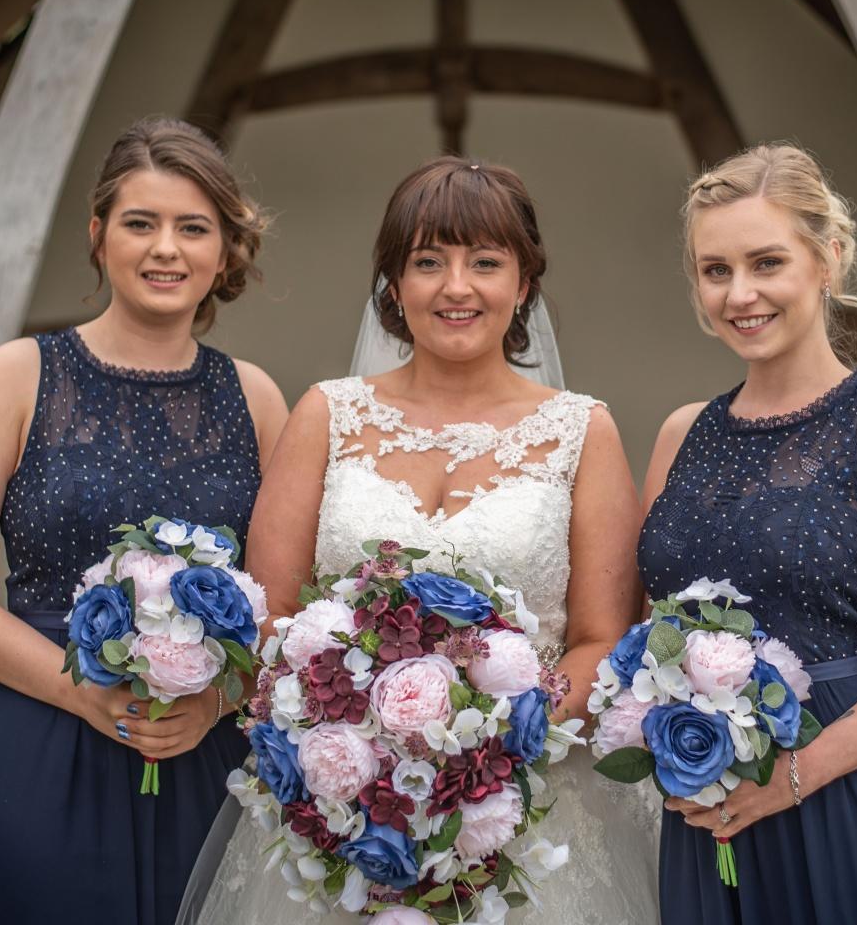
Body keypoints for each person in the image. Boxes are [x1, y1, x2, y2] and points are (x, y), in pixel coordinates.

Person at [189, 157, 660, 924]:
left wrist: (491, 746)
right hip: (344, 809)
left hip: (528, 809)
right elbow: (270, 617)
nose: (456, 287)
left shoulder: (583, 430)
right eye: (428, 261)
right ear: (393, 284)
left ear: (524, 281)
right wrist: (358, 748)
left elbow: (602, 637)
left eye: (485, 262)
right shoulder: (326, 415)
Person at [0, 117, 288, 925]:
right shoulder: (15, 376)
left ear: (225, 251)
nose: (166, 249)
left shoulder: (255, 399)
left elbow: (286, 604)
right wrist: (79, 695)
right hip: (41, 732)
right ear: (98, 235)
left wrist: (213, 704)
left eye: (193, 228)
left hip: (201, 753)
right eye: (140, 223)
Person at [638, 144, 857, 923]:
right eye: (715, 270)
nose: (741, 294)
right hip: (710, 807)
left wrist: (795, 774)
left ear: (827, 259)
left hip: (847, 791)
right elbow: (649, 628)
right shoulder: (679, 434)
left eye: (767, 262)